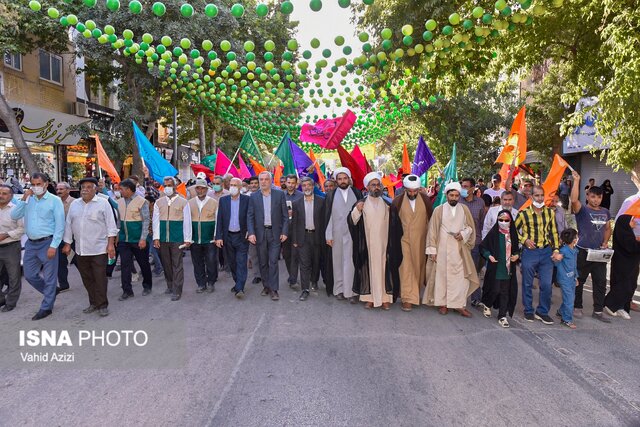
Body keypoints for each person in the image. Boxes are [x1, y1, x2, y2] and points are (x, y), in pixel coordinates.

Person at [11, 172, 65, 320]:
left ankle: (46, 307)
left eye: (38, 184)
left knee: (49, 277)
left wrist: (54, 246)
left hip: (48, 242)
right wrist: (24, 197)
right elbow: (14, 216)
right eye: (33, 185)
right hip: (31, 244)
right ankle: (51, 291)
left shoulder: (55, 200)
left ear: (46, 184)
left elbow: (60, 225)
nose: (35, 187)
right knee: (29, 275)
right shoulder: (28, 200)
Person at [422, 182, 479, 317]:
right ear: (446, 195)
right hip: (442, 249)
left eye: (456, 195)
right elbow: (432, 231)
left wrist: (463, 234)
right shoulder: (439, 210)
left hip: (459, 250)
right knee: (442, 277)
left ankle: (459, 305)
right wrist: (432, 251)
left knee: (460, 279)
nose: (453, 198)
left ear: (459, 196)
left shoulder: (464, 209)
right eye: (451, 195)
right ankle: (443, 304)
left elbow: (470, 227)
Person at [62, 178, 117, 317]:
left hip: (99, 248)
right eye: (83, 187)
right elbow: (69, 225)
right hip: (81, 249)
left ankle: (102, 305)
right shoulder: (75, 204)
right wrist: (67, 243)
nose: (85, 189)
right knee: (87, 278)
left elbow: (111, 226)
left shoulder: (103, 203)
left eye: (88, 187)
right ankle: (93, 302)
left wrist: (111, 245)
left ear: (95, 189)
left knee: (99, 278)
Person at [515, 185, 563, 325]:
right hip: (530, 253)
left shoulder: (550, 213)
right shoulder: (523, 214)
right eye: (536, 195)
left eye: (542, 195)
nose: (540, 198)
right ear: (531, 197)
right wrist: (524, 240)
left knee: (547, 285)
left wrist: (555, 250)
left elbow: (554, 233)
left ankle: (542, 312)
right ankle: (528, 310)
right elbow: (513, 230)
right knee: (528, 283)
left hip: (546, 252)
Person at [347, 172, 396, 309]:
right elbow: (351, 221)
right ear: (367, 187)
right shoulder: (361, 203)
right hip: (367, 245)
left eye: (378, 185)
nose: (376, 188)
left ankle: (385, 298)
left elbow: (395, 223)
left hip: (384, 244)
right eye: (373, 185)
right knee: (368, 270)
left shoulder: (387, 203)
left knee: (384, 271)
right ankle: (370, 298)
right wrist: (357, 210)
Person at [569, 171, 612, 322]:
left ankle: (598, 311)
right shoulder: (583, 210)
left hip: (598, 254)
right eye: (593, 196)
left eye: (599, 197)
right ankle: (577, 307)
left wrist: (605, 242)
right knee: (579, 280)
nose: (596, 200)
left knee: (600, 282)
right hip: (582, 251)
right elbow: (574, 200)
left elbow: (607, 228)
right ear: (587, 196)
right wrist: (576, 181)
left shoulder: (605, 212)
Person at [387, 174, 433, 312]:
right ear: (405, 189)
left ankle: (414, 293)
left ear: (419, 189)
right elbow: (392, 222)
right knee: (406, 267)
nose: (412, 193)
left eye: (415, 191)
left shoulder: (425, 200)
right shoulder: (397, 201)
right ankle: (408, 298)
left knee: (418, 267)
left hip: (421, 240)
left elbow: (431, 220)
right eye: (409, 191)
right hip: (403, 240)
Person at [247, 171, 288, 301]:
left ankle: (274, 289)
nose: (263, 182)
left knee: (273, 261)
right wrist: (251, 233)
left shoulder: (279, 194)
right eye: (261, 179)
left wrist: (284, 232)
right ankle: (266, 286)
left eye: (266, 179)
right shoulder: (253, 196)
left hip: (275, 233)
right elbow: (250, 216)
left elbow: (285, 216)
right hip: (260, 234)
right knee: (263, 262)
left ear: (270, 181)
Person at [325, 167, 362, 302]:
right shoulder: (330, 195)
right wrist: (328, 235)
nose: (342, 181)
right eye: (339, 179)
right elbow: (328, 217)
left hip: (353, 233)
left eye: (345, 178)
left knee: (351, 262)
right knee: (338, 262)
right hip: (336, 233)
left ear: (349, 179)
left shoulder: (357, 193)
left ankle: (351, 292)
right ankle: (339, 290)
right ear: (336, 180)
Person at [153, 177, 192, 301]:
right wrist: (156, 237)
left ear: (175, 187)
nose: (167, 188)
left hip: (177, 238)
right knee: (166, 264)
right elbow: (155, 221)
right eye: (165, 185)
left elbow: (187, 221)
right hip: (163, 238)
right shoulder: (158, 202)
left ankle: (177, 289)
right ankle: (169, 285)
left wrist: (187, 238)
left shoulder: (183, 202)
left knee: (177, 264)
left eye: (169, 185)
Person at [479, 210, 520, 328]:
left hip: (508, 270)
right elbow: (483, 247)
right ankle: (487, 304)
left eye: (506, 220)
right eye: (500, 220)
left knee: (505, 292)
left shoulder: (513, 234)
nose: (503, 222)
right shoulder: (493, 234)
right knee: (494, 290)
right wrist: (489, 256)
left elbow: (517, 249)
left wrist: (516, 256)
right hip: (495, 268)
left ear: (510, 221)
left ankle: (502, 315)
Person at [116, 179, 153, 300]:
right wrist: (117, 235)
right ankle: (127, 290)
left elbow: (146, 220)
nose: (119, 191)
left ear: (128, 189)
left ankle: (147, 285)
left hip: (138, 239)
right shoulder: (120, 202)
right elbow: (119, 220)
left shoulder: (142, 201)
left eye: (121, 189)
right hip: (124, 239)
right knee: (125, 265)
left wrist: (143, 238)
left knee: (143, 263)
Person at [291, 177, 326, 301]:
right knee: (304, 264)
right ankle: (305, 289)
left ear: (313, 186)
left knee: (316, 261)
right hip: (303, 237)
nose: (306, 187)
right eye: (304, 185)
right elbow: (294, 223)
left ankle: (314, 280)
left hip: (317, 237)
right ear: (302, 187)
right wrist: (295, 240)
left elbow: (325, 222)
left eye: (309, 185)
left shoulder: (322, 201)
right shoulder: (296, 203)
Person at [215, 177, 250, 298]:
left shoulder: (247, 200)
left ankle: (240, 288)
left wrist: (250, 231)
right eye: (231, 185)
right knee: (232, 263)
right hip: (227, 236)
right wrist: (218, 236)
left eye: (235, 185)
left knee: (241, 262)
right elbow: (219, 219)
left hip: (241, 236)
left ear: (240, 188)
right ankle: (237, 283)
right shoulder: (223, 200)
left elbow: (250, 217)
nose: (232, 187)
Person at [604, 215, 640, 319]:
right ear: (625, 222)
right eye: (632, 220)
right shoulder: (624, 231)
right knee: (624, 285)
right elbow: (630, 246)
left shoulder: (629, 232)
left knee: (631, 284)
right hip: (623, 264)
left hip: (631, 264)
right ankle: (611, 305)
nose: (634, 222)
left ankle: (622, 307)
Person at [459, 177, 486, 306]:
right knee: (459, 270)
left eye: (465, 186)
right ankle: (458, 298)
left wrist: (480, 240)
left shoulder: (480, 203)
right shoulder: (457, 201)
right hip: (459, 242)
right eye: (462, 186)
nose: (463, 189)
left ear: (472, 188)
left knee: (473, 270)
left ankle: (476, 298)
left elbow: (482, 223)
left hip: (475, 242)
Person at [188, 178, 219, 293]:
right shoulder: (190, 203)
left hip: (209, 238)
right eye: (198, 188)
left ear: (206, 189)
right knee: (197, 262)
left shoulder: (213, 202)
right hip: (195, 239)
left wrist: (216, 235)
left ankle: (211, 282)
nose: (200, 190)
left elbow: (217, 220)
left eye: (202, 188)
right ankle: (201, 283)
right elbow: (187, 221)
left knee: (211, 261)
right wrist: (188, 237)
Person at [0, 185, 24, 312]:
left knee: (13, 276)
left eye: (4, 193)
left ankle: (11, 302)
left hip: (11, 247)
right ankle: (1, 299)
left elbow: (22, 229)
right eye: (0, 193)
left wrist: (6, 235)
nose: (1, 196)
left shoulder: (16, 210)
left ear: (11, 196)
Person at [554, 228, 579, 329]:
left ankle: (561, 311)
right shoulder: (563, 250)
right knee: (570, 300)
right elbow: (556, 261)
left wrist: (576, 277)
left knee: (570, 298)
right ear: (574, 239)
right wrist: (556, 257)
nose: (577, 238)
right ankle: (566, 319)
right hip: (564, 280)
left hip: (572, 278)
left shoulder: (574, 250)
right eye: (576, 237)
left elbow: (574, 266)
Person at [282, 174, 303, 288]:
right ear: (285, 182)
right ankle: (291, 275)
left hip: (297, 229)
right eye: (288, 182)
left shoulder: (301, 196)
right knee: (287, 255)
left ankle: (293, 279)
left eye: (292, 183)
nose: (290, 185)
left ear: (296, 184)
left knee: (295, 255)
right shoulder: (280, 195)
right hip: (284, 230)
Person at [55, 181, 76, 293]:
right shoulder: (54, 202)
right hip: (59, 236)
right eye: (57, 189)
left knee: (79, 260)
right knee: (60, 261)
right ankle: (64, 284)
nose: (59, 191)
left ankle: (91, 280)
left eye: (61, 189)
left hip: (73, 236)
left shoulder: (75, 202)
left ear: (68, 190)